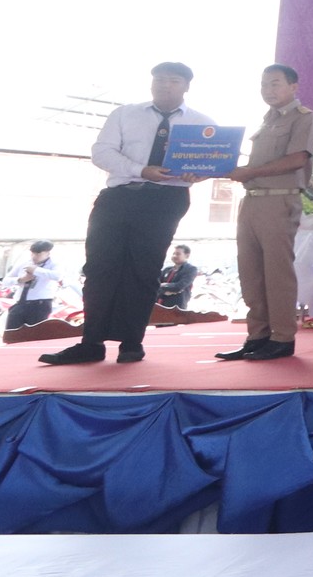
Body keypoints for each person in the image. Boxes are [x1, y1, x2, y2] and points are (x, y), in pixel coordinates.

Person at [41, 62, 213, 366]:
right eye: (159, 79)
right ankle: (91, 343)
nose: (165, 85)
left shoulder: (203, 123)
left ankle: (132, 344)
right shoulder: (125, 114)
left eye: (173, 81)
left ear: (186, 86)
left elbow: (212, 162)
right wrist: (140, 170)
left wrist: (199, 173)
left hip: (166, 200)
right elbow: (102, 152)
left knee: (144, 270)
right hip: (119, 196)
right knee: (99, 268)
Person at [214, 65, 313, 361]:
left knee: (276, 272)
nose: (268, 90)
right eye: (264, 85)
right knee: (250, 272)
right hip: (252, 200)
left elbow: (297, 159)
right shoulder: (268, 119)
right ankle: (257, 336)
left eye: (275, 84)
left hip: (279, 201)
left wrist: (250, 172)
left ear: (293, 86)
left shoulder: (304, 118)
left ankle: (282, 337)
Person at [5, 241, 59, 330]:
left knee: (34, 333)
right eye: (32, 254)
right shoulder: (24, 263)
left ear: (47, 253)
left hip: (39, 305)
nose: (34, 257)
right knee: (11, 332)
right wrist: (21, 279)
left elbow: (58, 276)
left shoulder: (54, 264)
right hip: (20, 303)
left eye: (38, 254)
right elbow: (5, 281)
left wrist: (36, 270)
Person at [156, 245, 199, 309]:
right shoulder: (167, 270)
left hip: (176, 307)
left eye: (178, 254)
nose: (174, 256)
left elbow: (179, 286)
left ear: (187, 256)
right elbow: (155, 286)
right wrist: (164, 291)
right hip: (160, 304)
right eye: (173, 253)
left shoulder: (191, 269)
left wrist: (162, 285)